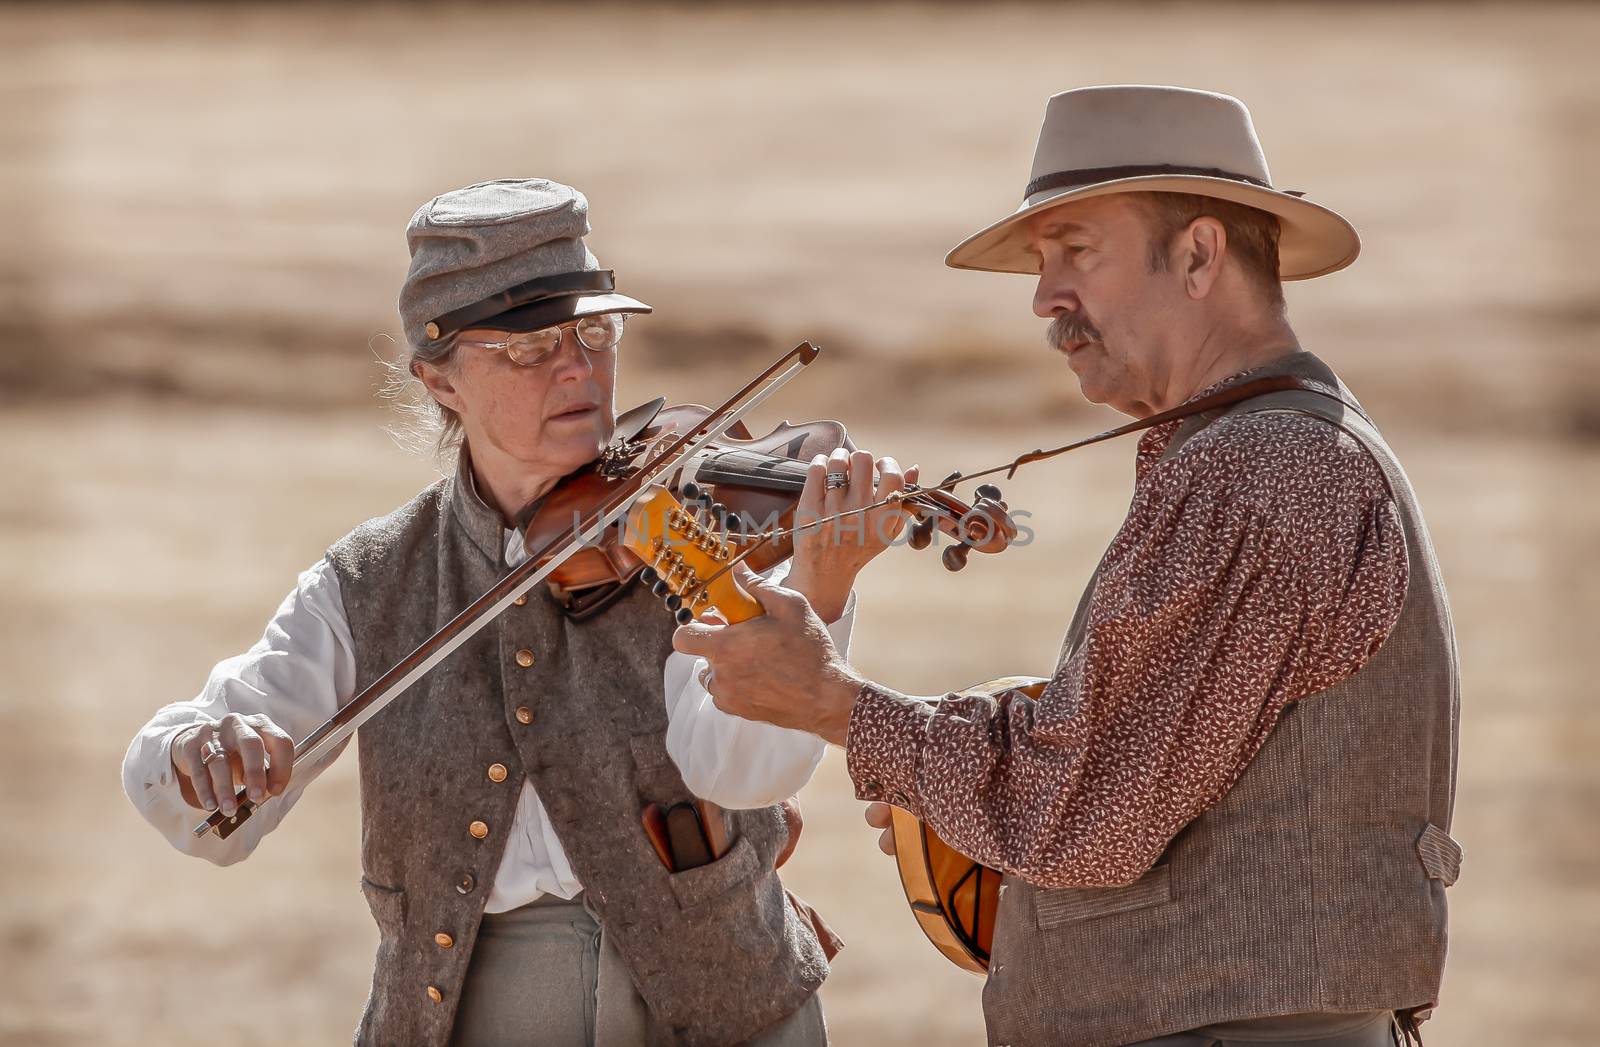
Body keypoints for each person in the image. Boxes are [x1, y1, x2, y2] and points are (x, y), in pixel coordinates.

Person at [676, 86, 1462, 1047]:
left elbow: (1087, 811)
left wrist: (838, 702)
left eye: (1076, 251)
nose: (1044, 295)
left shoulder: (1256, 466)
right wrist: (958, 775)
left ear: (1200, 255)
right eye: (1041, 262)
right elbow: (1130, 776)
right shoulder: (1275, 450)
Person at [122, 178, 909, 1047]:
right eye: (527, 349)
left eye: (593, 332)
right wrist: (200, 754)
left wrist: (821, 596)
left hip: (724, 1012)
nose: (576, 367)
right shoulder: (372, 581)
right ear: (439, 378)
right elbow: (204, 808)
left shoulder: (686, 527)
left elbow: (737, 771)